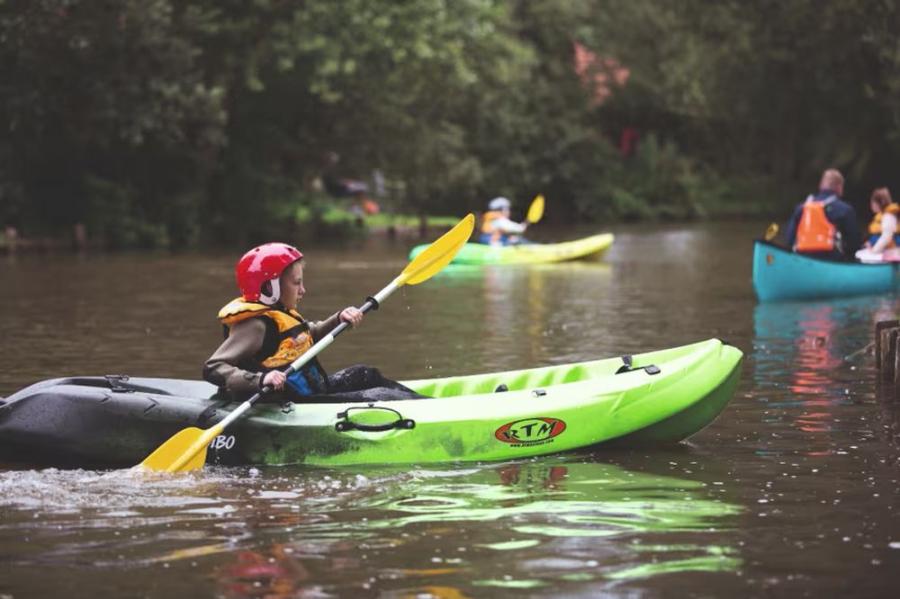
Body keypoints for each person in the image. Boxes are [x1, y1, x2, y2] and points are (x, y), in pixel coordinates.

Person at [203, 242, 423, 402]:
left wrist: (338, 318)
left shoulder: (282, 313)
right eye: (296, 283)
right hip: (290, 402)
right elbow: (213, 367)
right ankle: (426, 409)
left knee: (365, 374)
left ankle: (427, 403)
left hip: (311, 390)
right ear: (270, 288)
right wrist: (260, 380)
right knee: (379, 397)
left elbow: (306, 335)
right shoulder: (255, 326)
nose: (303, 290)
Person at [786, 168, 862, 261]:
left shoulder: (801, 208)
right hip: (831, 259)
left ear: (821, 185)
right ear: (839, 187)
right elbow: (854, 243)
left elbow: (789, 239)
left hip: (802, 257)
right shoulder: (845, 210)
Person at [855, 187, 900, 262]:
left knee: (862, 256)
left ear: (881, 202)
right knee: (859, 254)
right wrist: (871, 243)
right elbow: (879, 235)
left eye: (873, 202)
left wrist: (874, 251)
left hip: (892, 252)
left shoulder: (889, 216)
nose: (871, 205)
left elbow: (887, 237)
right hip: (885, 250)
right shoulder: (883, 215)